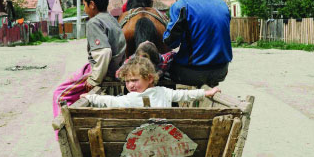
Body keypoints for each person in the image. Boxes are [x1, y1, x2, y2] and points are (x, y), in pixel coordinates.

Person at [162, 0, 232, 89]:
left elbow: (170, 42)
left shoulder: (181, 5)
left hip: (192, 72)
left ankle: (172, 105)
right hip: (221, 70)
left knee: (160, 70)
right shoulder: (223, 5)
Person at [81, 54, 220, 108]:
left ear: (150, 79)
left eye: (134, 80)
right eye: (127, 81)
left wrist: (206, 93)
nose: (130, 85)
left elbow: (185, 94)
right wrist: (207, 92)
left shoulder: (163, 92)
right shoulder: (162, 92)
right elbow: (109, 100)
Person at [81, 0, 126, 87]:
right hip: (117, 69)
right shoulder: (112, 19)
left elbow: (104, 52)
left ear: (92, 4)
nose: (84, 9)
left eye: (84, 5)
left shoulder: (94, 22)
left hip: (107, 73)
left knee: (60, 92)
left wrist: (94, 79)